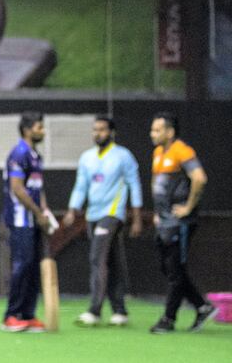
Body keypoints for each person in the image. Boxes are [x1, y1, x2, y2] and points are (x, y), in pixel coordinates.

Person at [63, 115, 143, 327]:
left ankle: (94, 310)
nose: (97, 133)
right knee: (111, 261)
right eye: (95, 130)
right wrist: (73, 209)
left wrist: (136, 218)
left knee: (97, 258)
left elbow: (134, 184)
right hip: (93, 214)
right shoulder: (87, 158)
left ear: (111, 133)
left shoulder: (123, 156)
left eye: (102, 130)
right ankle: (120, 311)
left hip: (112, 214)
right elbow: (81, 186)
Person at [148, 111, 217, 334]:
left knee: (175, 271)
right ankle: (202, 306)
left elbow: (199, 178)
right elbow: (156, 182)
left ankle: (168, 319)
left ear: (170, 132)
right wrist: (157, 212)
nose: (153, 134)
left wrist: (187, 207)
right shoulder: (158, 152)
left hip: (181, 222)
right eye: (152, 129)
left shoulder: (182, 151)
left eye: (157, 130)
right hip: (164, 221)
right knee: (168, 269)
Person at [1, 111, 51, 333]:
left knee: (32, 266)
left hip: (33, 219)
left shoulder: (35, 155)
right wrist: (37, 212)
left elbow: (37, 187)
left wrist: (45, 211)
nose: (43, 131)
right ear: (28, 129)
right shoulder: (19, 153)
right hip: (20, 219)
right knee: (21, 265)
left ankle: (27, 314)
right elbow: (18, 188)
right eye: (40, 127)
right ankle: (10, 316)